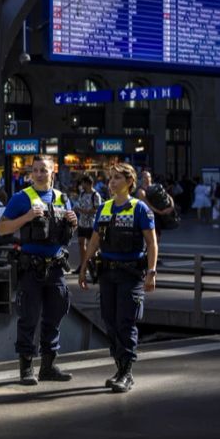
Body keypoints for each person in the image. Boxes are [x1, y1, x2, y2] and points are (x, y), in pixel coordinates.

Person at [0, 155, 78, 386]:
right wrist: (27, 217)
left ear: (53, 172)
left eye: (44, 170)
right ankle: (26, 369)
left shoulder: (63, 199)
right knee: (28, 318)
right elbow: (2, 228)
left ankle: (49, 367)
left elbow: (65, 236)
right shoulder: (21, 198)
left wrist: (72, 221)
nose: (39, 174)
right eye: (35, 170)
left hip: (55, 269)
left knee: (54, 317)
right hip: (31, 268)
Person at [78, 162, 157, 393]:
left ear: (130, 182)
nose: (111, 183)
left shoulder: (139, 209)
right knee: (110, 322)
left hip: (130, 274)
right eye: (110, 178)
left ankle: (126, 372)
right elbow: (94, 241)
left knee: (125, 322)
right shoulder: (104, 208)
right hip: (107, 274)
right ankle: (119, 367)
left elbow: (152, 243)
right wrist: (83, 268)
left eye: (117, 178)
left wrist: (151, 272)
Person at [74, 175, 102, 271]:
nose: (82, 185)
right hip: (82, 223)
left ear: (88, 183)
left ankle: (93, 266)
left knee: (92, 247)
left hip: (91, 224)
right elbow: (79, 203)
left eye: (83, 183)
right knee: (81, 243)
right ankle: (83, 265)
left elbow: (97, 210)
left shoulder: (95, 195)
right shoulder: (82, 193)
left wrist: (83, 210)